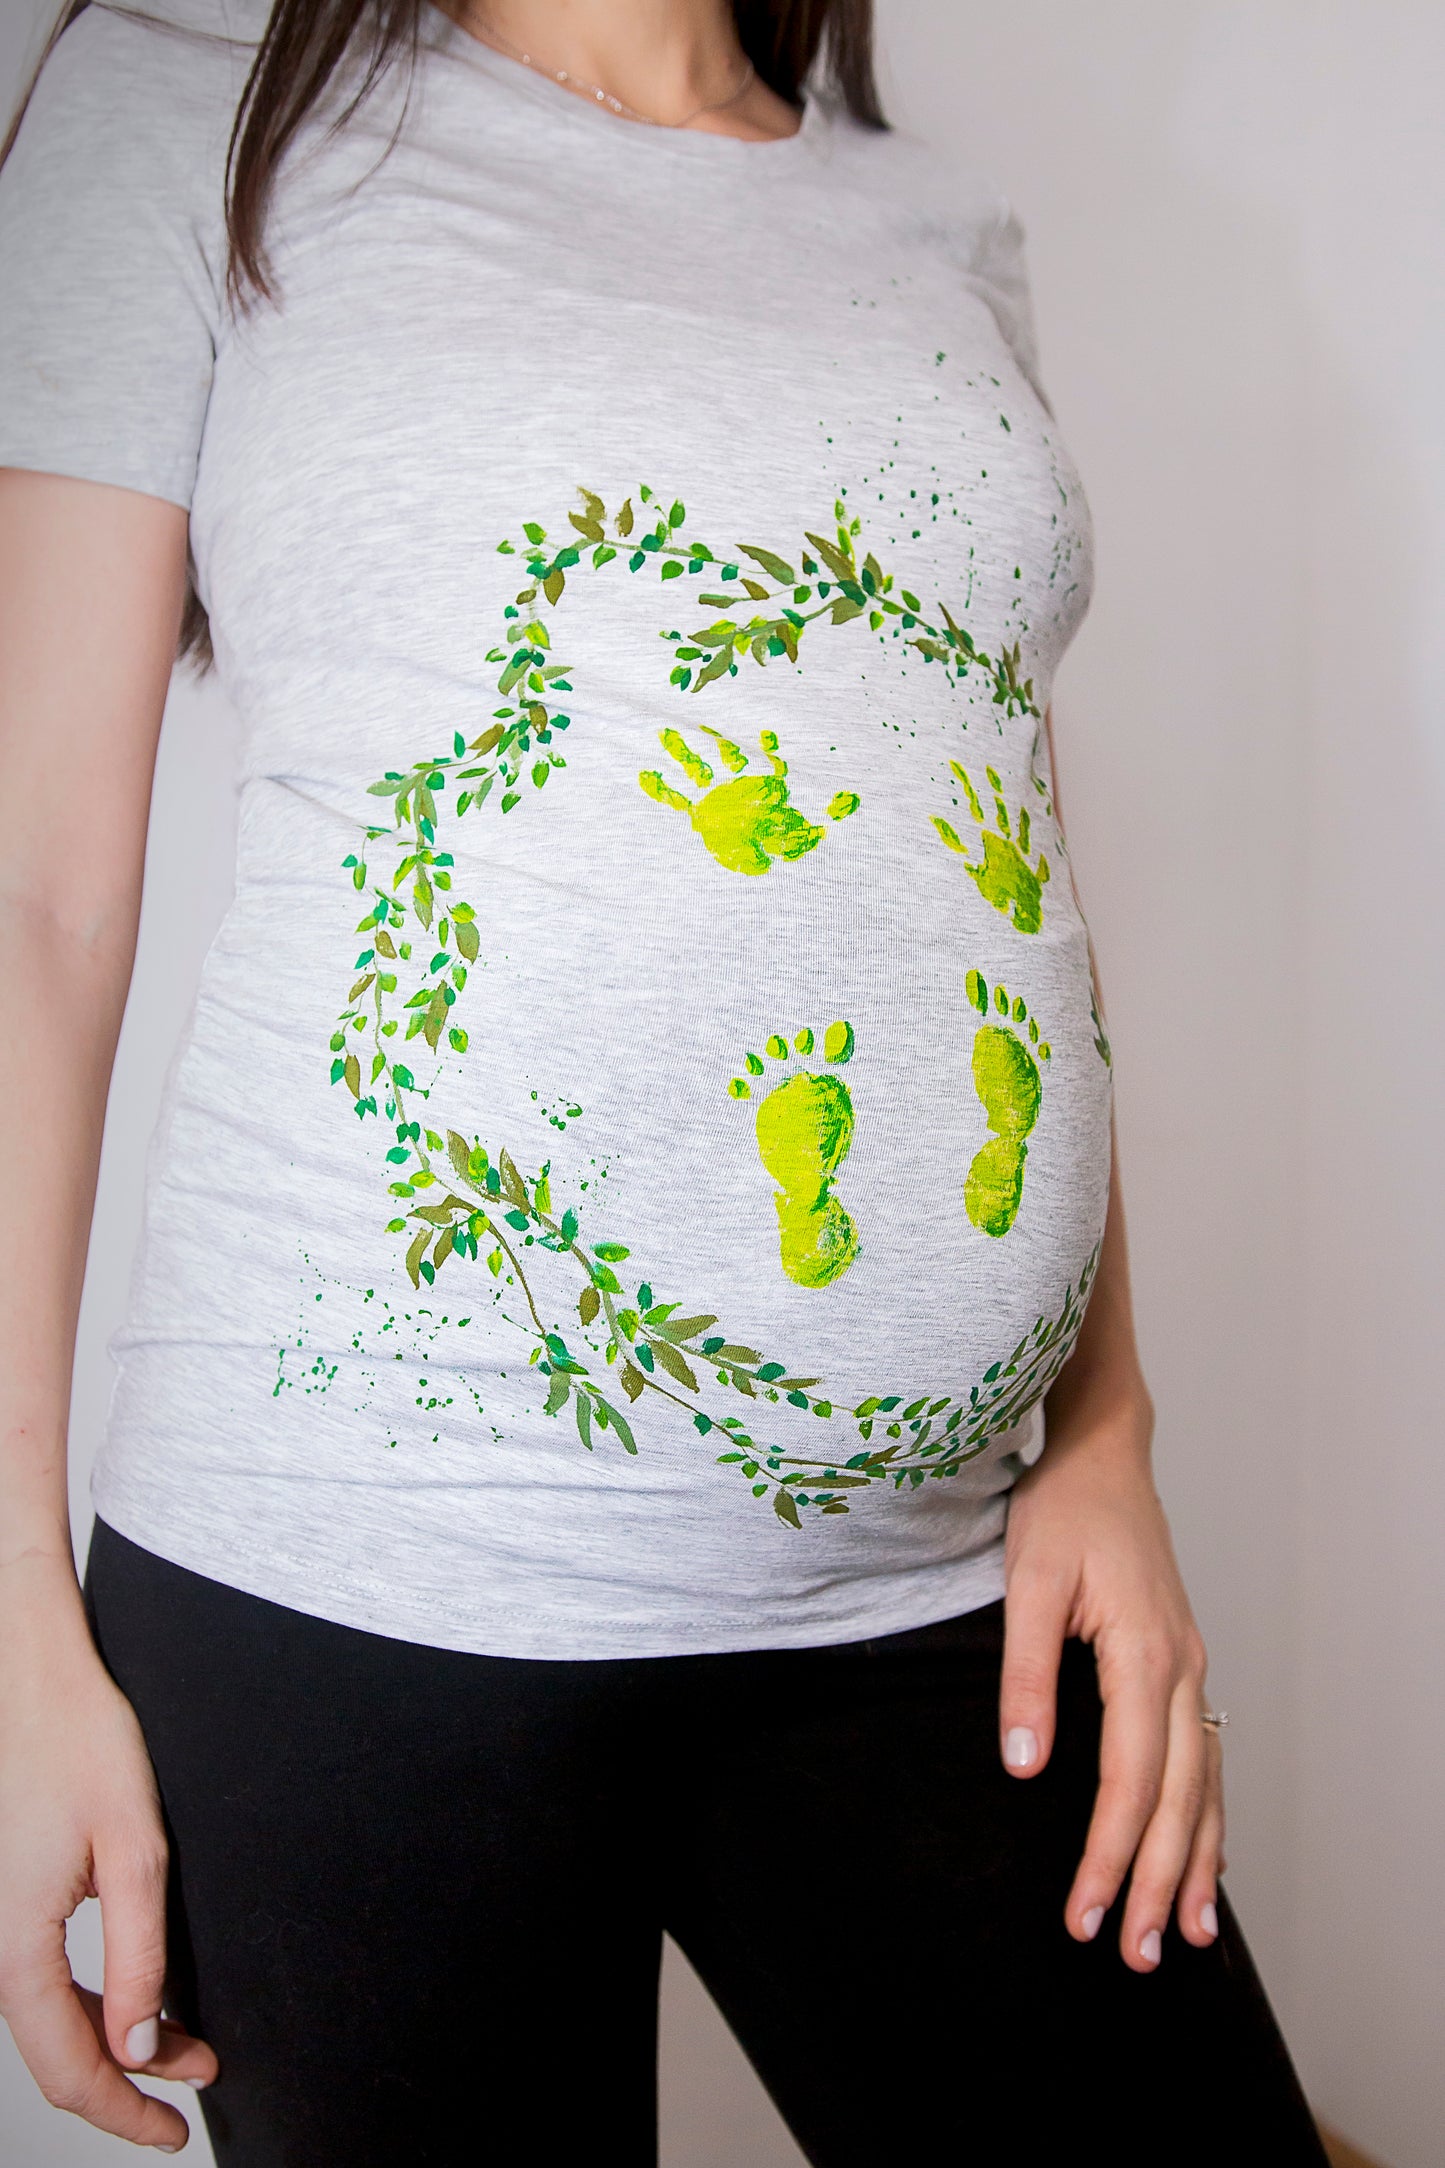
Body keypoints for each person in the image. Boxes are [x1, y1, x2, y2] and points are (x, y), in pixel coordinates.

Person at [0, 1, 1329, 2160]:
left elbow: (995, 860)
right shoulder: (182, 108)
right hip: (357, 1588)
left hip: (932, 1574)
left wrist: (1108, 1435)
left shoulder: (933, 219)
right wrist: (7, 1622)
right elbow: (39, 899)